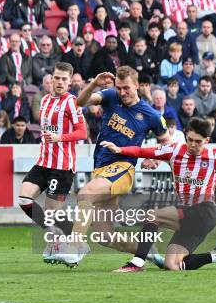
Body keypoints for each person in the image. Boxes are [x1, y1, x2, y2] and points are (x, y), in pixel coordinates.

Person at [100, 117, 216, 273]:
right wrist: (120, 149)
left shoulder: (213, 156)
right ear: (186, 135)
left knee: (152, 216)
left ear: (207, 140)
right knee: (172, 265)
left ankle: (137, 262)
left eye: (198, 141)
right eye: (189, 139)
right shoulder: (174, 150)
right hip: (187, 214)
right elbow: (142, 151)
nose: (192, 144)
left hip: (204, 211)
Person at [48, 66, 171, 267]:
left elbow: (167, 143)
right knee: (104, 236)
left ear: (137, 86)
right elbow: (79, 102)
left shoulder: (151, 115)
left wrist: (156, 159)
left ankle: (73, 249)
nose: (122, 93)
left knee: (86, 193)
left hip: (123, 169)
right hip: (101, 169)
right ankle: (148, 251)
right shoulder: (111, 96)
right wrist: (95, 83)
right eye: (119, 88)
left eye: (127, 88)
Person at [16, 62, 87, 262]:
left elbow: (82, 132)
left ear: (70, 82)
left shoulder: (72, 103)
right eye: (56, 78)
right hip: (43, 162)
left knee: (51, 214)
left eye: (64, 79)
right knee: (23, 199)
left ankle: (76, 245)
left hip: (62, 167)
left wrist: (60, 138)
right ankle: (56, 238)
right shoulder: (46, 100)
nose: (59, 82)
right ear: (51, 79)